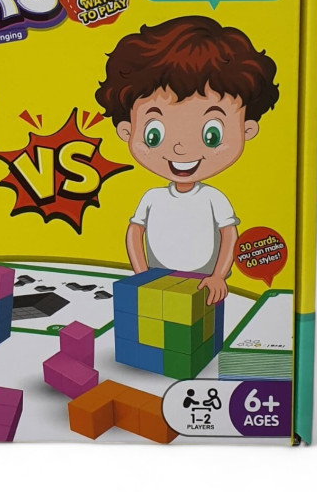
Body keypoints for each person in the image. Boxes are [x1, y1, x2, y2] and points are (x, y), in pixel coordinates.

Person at [95, 15, 278, 305]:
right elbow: (135, 232)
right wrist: (141, 274)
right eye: (154, 134)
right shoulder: (152, 198)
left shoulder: (213, 198)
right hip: (157, 280)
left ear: (247, 130)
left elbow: (229, 235)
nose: (181, 148)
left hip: (204, 284)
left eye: (212, 135)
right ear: (126, 131)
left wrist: (218, 276)